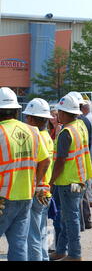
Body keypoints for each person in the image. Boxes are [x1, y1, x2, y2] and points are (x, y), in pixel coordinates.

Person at [0, 87, 50, 261]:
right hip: (25, 197)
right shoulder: (33, 131)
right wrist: (35, 184)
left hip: (3, 198)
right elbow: (45, 161)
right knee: (19, 246)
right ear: (16, 110)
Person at [49, 94, 92, 261]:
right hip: (80, 179)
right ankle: (61, 250)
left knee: (70, 219)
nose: (57, 114)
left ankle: (75, 254)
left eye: (60, 111)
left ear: (66, 113)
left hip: (68, 181)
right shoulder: (79, 125)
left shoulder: (66, 132)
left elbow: (60, 161)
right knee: (67, 217)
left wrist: (50, 181)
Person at [23, 98, 54, 261]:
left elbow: (44, 162)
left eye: (28, 117)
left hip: (37, 191)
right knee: (41, 233)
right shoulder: (47, 136)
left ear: (33, 119)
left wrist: (34, 183)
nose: (26, 120)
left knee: (33, 236)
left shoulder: (36, 137)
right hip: (45, 190)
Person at [68, 91, 92, 230]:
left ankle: (83, 224)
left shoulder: (77, 123)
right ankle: (86, 222)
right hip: (82, 167)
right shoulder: (84, 121)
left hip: (74, 170)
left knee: (77, 200)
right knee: (82, 198)